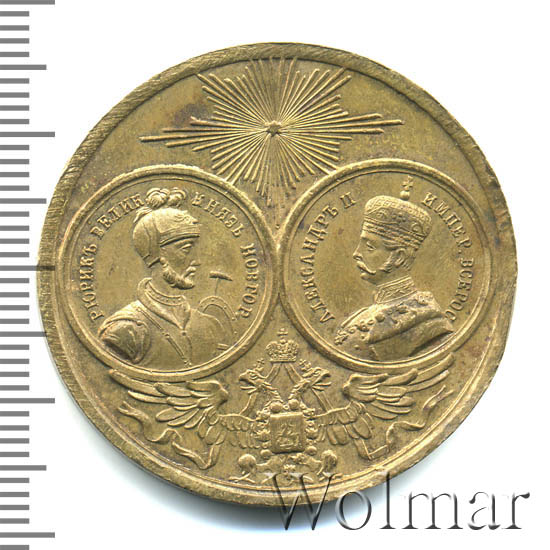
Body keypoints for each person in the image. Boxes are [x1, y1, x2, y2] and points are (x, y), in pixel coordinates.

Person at [99, 187, 230, 369]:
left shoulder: (208, 325)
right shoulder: (126, 330)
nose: (197, 260)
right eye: (186, 249)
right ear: (158, 255)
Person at [334, 183, 452, 361]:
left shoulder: (429, 324)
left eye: (370, 246)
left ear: (398, 256)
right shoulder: (360, 316)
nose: (356, 253)